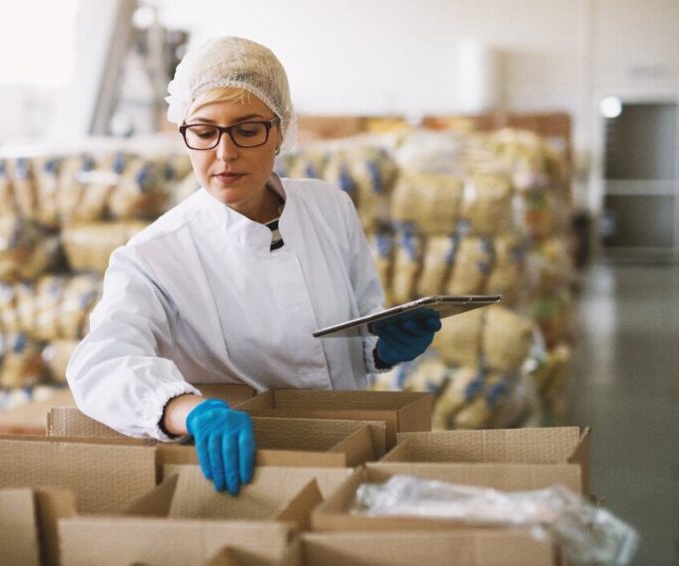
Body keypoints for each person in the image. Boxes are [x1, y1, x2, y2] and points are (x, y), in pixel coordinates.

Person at [66, 37, 440, 495]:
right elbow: (99, 364)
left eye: (246, 130)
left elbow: (358, 332)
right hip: (250, 471)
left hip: (357, 448)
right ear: (184, 132)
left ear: (280, 130)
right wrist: (190, 410)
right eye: (204, 132)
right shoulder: (154, 256)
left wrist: (386, 348)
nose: (224, 154)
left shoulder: (329, 209)